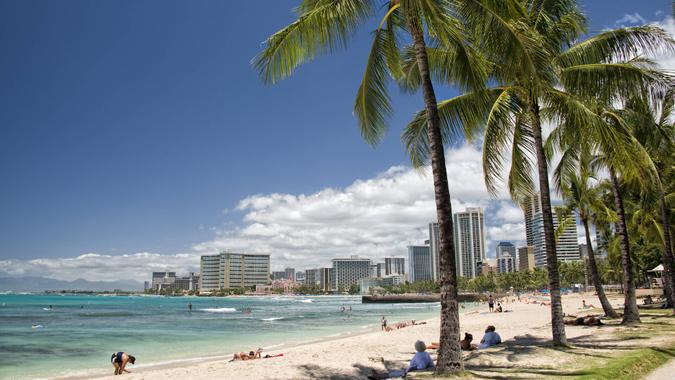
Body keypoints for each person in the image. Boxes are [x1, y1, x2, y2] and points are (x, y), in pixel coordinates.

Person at [368, 341, 435, 379]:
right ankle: (378, 375)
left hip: (411, 372)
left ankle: (378, 376)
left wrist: (412, 368)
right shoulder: (426, 353)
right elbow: (431, 364)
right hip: (413, 371)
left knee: (393, 374)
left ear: (417, 348)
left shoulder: (418, 355)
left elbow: (422, 366)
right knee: (394, 372)